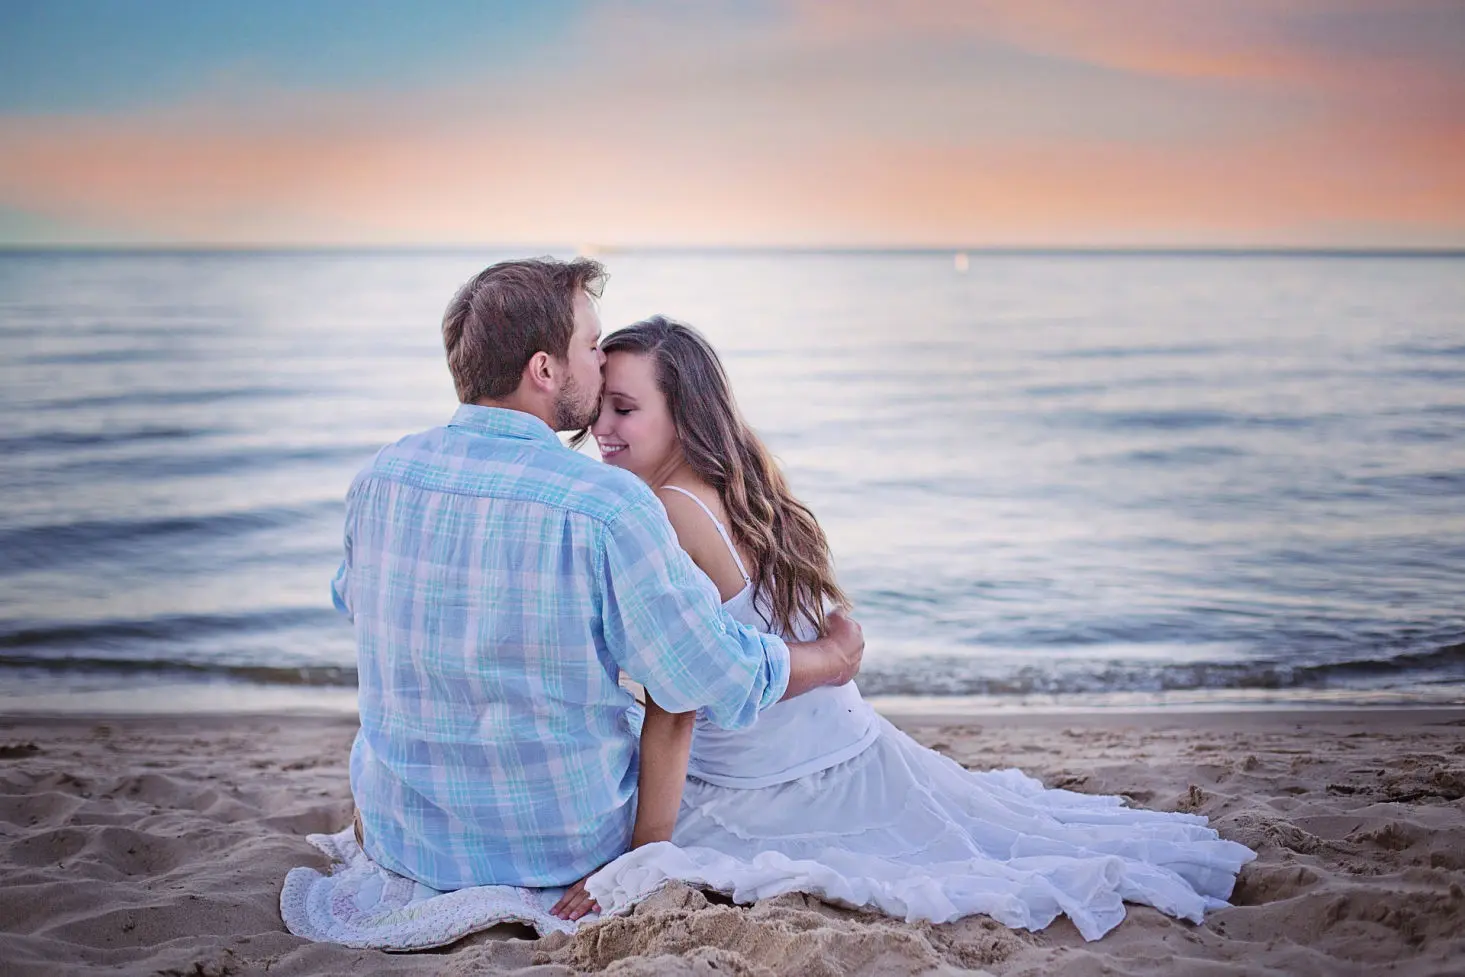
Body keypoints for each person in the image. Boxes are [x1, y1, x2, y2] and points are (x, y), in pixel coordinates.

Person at [580, 316, 1256, 941]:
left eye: (625, 408)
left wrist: (645, 859)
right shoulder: (742, 488)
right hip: (850, 744)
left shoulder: (666, 508)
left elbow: (680, 700)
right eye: (600, 404)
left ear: (684, 413)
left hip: (768, 782)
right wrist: (831, 654)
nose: (599, 424)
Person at [329, 259, 866, 921]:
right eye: (589, 344)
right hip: (553, 851)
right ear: (544, 369)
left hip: (404, 834)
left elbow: (359, 605)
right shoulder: (605, 503)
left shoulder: (380, 475)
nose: (598, 359)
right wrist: (831, 659)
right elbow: (701, 675)